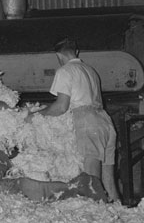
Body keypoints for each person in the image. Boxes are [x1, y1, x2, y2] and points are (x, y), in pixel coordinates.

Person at [39, 37, 120, 202]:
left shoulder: (65, 71)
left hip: (87, 122)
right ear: (76, 52)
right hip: (105, 121)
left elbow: (61, 106)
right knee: (109, 179)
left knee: (91, 178)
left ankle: (97, 215)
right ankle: (118, 214)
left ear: (59, 56)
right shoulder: (90, 70)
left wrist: (36, 115)